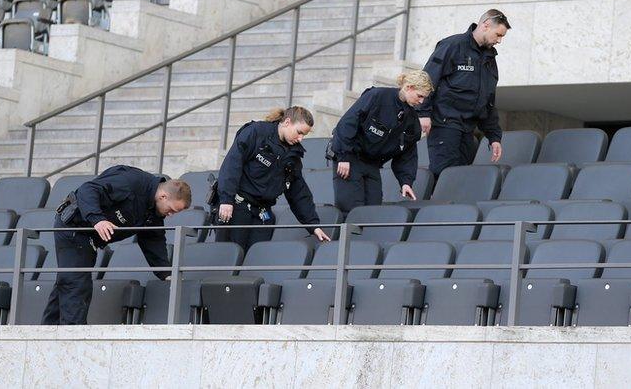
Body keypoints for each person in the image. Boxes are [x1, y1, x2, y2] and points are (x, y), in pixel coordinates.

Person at [42, 165, 192, 325]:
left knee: (68, 281)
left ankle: (46, 331)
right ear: (163, 196)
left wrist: (166, 273)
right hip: (74, 226)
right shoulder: (131, 182)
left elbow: (153, 240)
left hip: (89, 237)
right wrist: (97, 219)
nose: (170, 215)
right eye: (171, 210)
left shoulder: (152, 211)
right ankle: (72, 336)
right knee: (77, 283)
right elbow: (88, 189)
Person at [214, 105, 332, 250]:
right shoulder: (256, 132)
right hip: (237, 208)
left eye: (304, 136)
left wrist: (314, 226)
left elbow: (299, 193)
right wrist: (226, 200)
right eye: (299, 132)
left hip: (263, 214)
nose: (300, 139)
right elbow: (232, 165)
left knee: (255, 259)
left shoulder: (293, 155)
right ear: (287, 122)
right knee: (228, 255)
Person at [418, 9, 510, 178]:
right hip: (445, 124)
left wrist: (494, 137)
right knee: (444, 176)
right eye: (498, 35)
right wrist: (423, 112)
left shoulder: (490, 59)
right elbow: (428, 79)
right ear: (486, 25)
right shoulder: (453, 45)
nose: (499, 40)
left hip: (468, 130)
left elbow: (488, 100)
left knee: (460, 179)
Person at [330, 70, 433, 212]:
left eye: (424, 98)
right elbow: (348, 123)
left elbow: (407, 153)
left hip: (372, 164)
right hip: (351, 158)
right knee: (351, 210)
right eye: (420, 96)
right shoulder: (377, 96)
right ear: (409, 87)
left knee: (374, 211)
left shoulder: (411, 119)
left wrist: (405, 182)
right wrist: (343, 156)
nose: (421, 101)